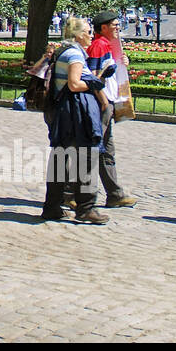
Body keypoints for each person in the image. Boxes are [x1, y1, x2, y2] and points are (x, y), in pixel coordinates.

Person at [39, 16, 110, 224]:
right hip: (76, 113)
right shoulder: (74, 55)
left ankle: (52, 206)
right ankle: (86, 208)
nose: (90, 35)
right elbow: (74, 84)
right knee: (86, 159)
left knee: (60, 158)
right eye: (87, 32)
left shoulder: (64, 50)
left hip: (65, 112)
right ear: (78, 35)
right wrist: (96, 83)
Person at [87, 10, 137, 208]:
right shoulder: (99, 46)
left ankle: (115, 194)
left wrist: (123, 63)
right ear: (104, 27)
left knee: (107, 151)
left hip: (108, 101)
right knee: (93, 148)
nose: (118, 28)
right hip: (102, 103)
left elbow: (112, 71)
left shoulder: (108, 45)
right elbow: (92, 76)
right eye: (115, 25)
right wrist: (104, 102)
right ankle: (72, 193)